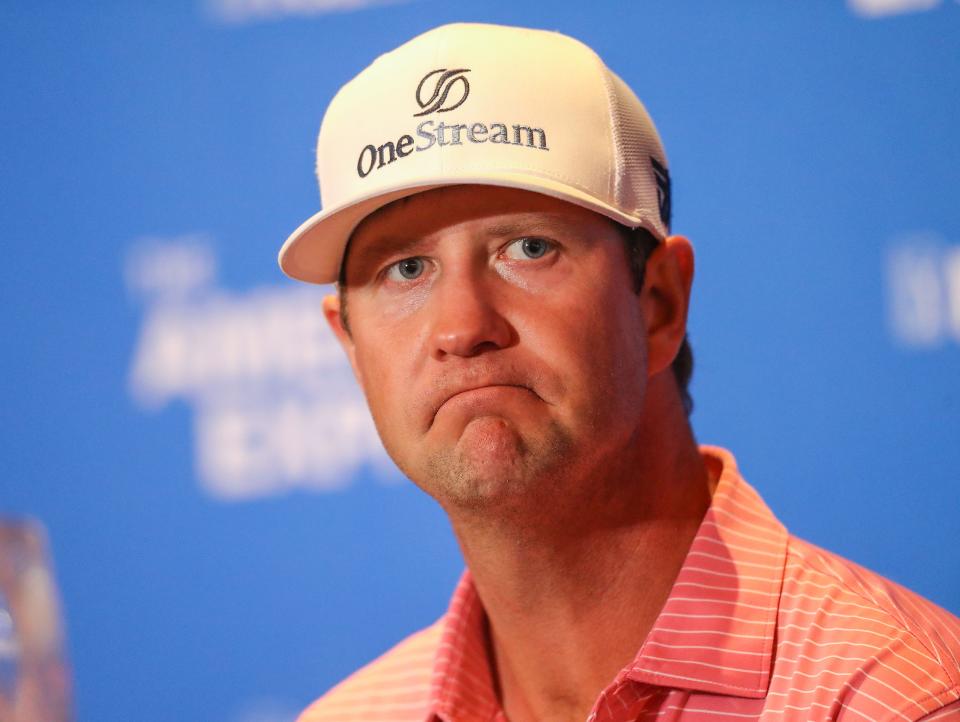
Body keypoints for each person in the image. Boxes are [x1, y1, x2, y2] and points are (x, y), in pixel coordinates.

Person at [278, 22, 960, 722]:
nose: (461, 327)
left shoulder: (895, 701)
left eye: (529, 247)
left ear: (660, 303)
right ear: (352, 347)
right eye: (407, 269)